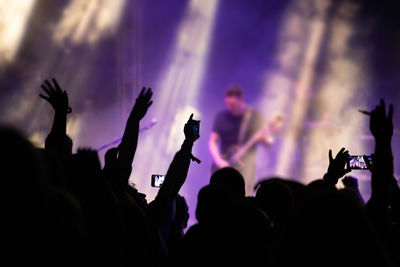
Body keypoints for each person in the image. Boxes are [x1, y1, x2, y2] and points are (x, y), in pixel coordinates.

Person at [209, 84, 280, 196]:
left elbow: (268, 143)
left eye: (233, 104)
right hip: (223, 167)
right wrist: (218, 161)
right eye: (228, 104)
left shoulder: (255, 117)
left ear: (241, 100)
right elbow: (213, 141)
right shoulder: (221, 116)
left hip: (245, 170)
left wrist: (264, 139)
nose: (230, 107)